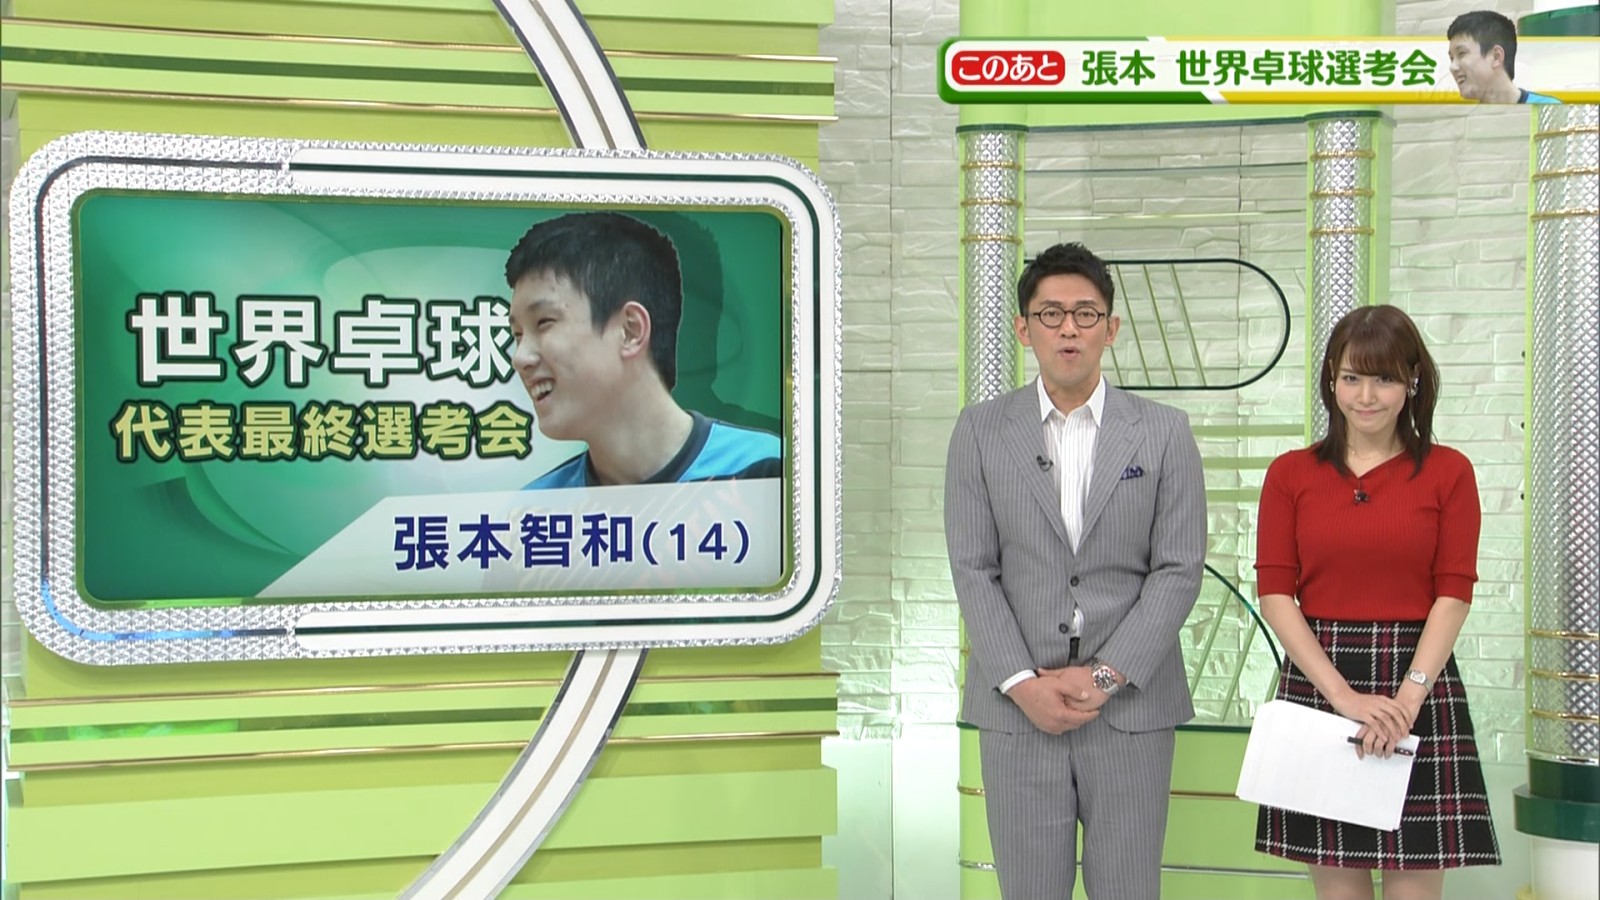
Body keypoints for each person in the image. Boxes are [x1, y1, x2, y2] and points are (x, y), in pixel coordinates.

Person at [944, 242, 1207, 899]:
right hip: (1019, 710)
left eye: (1085, 314)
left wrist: (1105, 676)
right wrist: (1021, 683)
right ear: (1023, 328)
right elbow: (972, 568)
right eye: (1051, 313)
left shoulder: (1164, 432)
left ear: (1110, 329)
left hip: (1130, 708)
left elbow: (1179, 568)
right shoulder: (979, 432)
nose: (1069, 329)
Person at [1253, 305, 1501, 899]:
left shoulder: (1449, 472)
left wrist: (1408, 699)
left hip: (1419, 682)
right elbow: (1276, 594)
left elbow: (1454, 593)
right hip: (1321, 681)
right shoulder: (1290, 474)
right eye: (1351, 378)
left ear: (1412, 381)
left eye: (1384, 378)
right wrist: (1343, 699)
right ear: (1331, 380)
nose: (1366, 397)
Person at [504, 211, 782, 488]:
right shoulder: (538, 506)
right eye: (517, 335)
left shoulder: (767, 471)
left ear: (631, 330)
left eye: (544, 322)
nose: (520, 358)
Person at [1448, 10, 1562, 104]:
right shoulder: (1466, 119)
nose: (1452, 67)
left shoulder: (1548, 107)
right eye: (1451, 58)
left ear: (1496, 56)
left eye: (1461, 53)